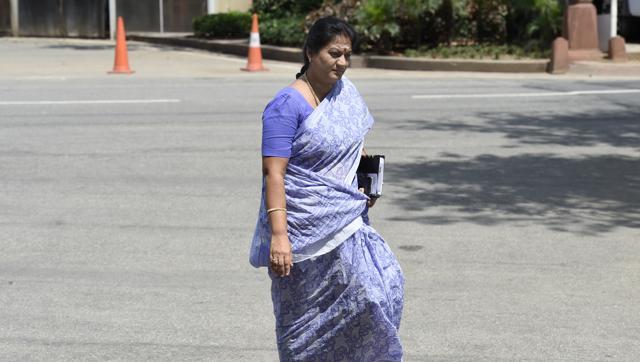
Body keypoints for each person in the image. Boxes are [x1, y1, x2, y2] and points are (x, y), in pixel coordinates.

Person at [249, 17, 404, 361]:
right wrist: (279, 236)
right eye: (334, 53)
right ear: (310, 52)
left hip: (347, 223)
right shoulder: (285, 106)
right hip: (301, 234)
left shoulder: (344, 95)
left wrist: (363, 178)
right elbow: (274, 174)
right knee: (306, 321)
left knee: (379, 291)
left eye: (347, 54)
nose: (342, 63)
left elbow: (351, 143)